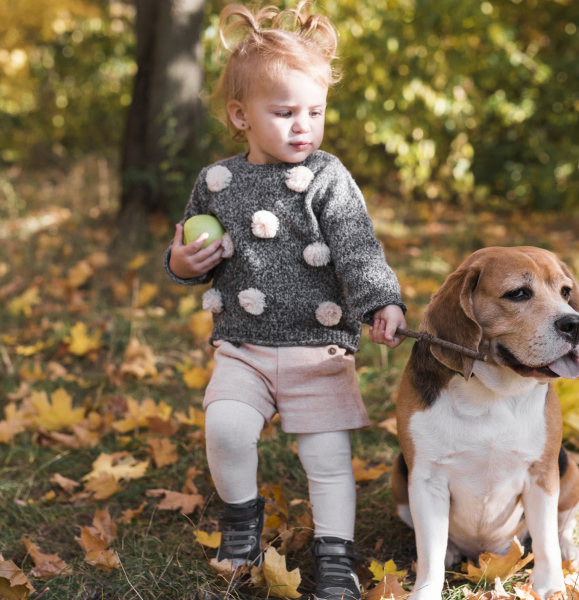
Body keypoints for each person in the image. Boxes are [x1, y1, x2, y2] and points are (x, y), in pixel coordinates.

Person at [164, 3, 406, 599]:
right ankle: (242, 523)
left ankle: (334, 559)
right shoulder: (215, 181)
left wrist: (382, 300)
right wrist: (181, 263)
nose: (304, 125)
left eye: (315, 111)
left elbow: (357, 248)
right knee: (224, 428)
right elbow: (191, 251)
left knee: (327, 459)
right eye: (285, 112)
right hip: (242, 348)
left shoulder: (327, 177)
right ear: (240, 115)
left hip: (317, 349)